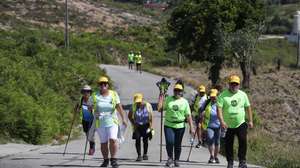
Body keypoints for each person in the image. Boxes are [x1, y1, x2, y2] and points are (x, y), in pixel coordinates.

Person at [88, 76, 127, 168]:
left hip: (112, 120)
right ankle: (106, 160)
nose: (103, 85)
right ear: (99, 85)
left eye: (105, 83)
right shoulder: (94, 95)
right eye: (101, 84)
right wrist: (92, 109)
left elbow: (118, 106)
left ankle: (113, 159)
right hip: (100, 122)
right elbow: (90, 107)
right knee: (103, 142)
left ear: (108, 85)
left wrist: (124, 118)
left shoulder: (113, 94)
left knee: (113, 140)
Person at [217, 75, 253, 168]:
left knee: (243, 141)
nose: (234, 86)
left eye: (236, 84)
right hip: (227, 125)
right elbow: (219, 109)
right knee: (228, 144)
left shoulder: (243, 94)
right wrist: (221, 121)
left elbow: (248, 107)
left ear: (239, 85)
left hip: (240, 123)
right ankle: (230, 162)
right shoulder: (222, 95)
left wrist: (250, 120)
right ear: (229, 84)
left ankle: (242, 161)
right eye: (232, 84)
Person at [158, 83, 194, 167]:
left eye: (179, 90)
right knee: (170, 142)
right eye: (175, 90)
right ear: (173, 91)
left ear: (182, 92)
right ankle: (170, 158)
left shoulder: (184, 102)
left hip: (180, 126)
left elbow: (188, 115)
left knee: (178, 144)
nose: (177, 92)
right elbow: (160, 109)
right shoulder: (168, 99)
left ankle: (177, 159)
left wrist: (192, 127)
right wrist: (161, 96)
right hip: (169, 125)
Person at [128, 93, 154, 162]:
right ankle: (139, 155)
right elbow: (129, 116)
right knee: (137, 139)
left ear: (143, 100)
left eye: (140, 101)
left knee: (145, 140)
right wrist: (133, 123)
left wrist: (151, 128)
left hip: (146, 125)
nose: (139, 103)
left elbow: (151, 117)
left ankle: (145, 154)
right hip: (137, 125)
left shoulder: (148, 106)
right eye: (137, 102)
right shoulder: (133, 106)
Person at [200, 89, 220, 164]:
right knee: (210, 141)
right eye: (212, 97)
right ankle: (211, 156)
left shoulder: (220, 103)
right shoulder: (207, 103)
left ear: (217, 96)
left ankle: (216, 156)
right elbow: (201, 110)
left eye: (214, 97)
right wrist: (202, 113)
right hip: (209, 125)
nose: (213, 98)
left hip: (218, 125)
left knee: (217, 142)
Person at [78, 85, 95, 155]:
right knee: (87, 134)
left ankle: (91, 148)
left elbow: (96, 108)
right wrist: (77, 108)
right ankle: (92, 144)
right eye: (85, 91)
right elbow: (79, 107)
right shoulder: (81, 99)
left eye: (88, 91)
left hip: (92, 119)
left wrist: (92, 108)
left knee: (90, 134)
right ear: (82, 92)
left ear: (90, 92)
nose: (86, 93)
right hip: (84, 119)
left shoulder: (92, 99)